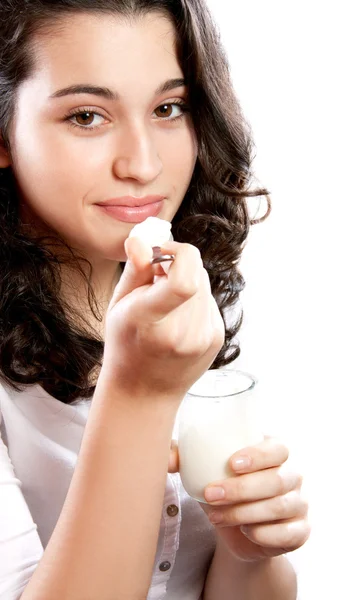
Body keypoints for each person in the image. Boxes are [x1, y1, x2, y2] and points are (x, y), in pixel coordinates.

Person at [0, 1, 310, 598]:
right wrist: (139, 392)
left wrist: (248, 555)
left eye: (169, 108)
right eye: (87, 116)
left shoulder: (196, 301)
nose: (143, 165)